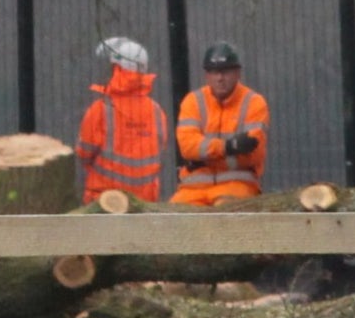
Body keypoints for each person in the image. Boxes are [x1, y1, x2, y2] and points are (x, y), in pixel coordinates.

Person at [173, 41, 270, 205]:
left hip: (237, 186)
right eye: (214, 72)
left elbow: (253, 155)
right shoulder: (193, 101)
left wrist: (203, 156)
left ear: (238, 73)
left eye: (226, 72)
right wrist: (228, 147)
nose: (220, 78)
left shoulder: (254, 102)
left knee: (224, 214)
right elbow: (187, 147)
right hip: (192, 189)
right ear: (206, 75)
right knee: (171, 220)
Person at [76, 36, 168, 202]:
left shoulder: (101, 109)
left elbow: (83, 153)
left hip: (104, 201)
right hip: (145, 203)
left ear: (116, 68)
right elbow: (160, 152)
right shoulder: (157, 111)